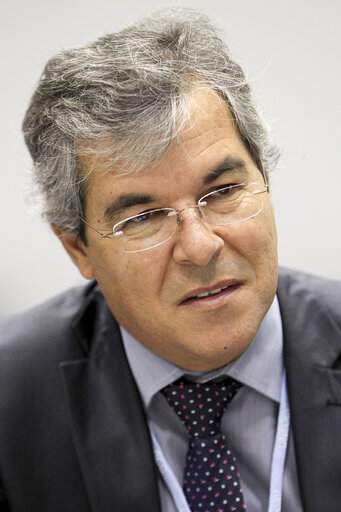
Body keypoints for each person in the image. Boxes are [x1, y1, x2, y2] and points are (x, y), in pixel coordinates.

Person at [0, 7, 340, 512]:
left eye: (223, 190)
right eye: (141, 219)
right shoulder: (11, 401)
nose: (201, 247)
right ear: (77, 247)